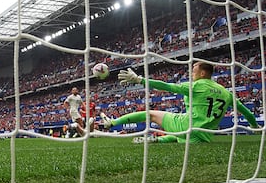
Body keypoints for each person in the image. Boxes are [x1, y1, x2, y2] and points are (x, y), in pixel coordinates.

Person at [100, 62, 259, 143]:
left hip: (187, 125)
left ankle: (113, 123)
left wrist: (140, 80)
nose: (191, 71)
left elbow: (167, 86)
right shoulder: (227, 92)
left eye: (194, 68)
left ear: (203, 72)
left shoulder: (196, 85)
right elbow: (246, 112)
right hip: (204, 136)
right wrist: (255, 127)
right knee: (181, 133)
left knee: (151, 114)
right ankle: (157, 139)